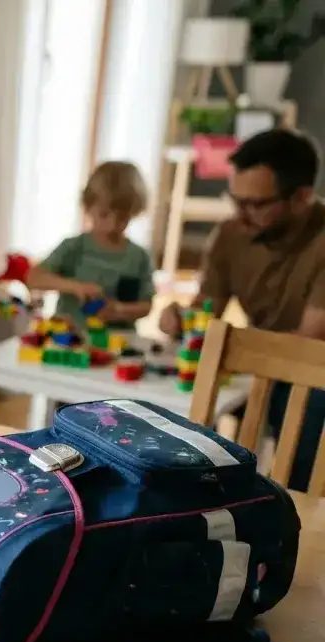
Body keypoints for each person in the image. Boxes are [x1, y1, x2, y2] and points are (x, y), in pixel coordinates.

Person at [159, 129, 325, 492]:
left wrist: (230, 346)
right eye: (235, 199)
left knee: (308, 403)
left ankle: (297, 506)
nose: (239, 214)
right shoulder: (232, 233)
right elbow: (207, 312)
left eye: (255, 204)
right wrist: (180, 319)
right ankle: (202, 498)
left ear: (301, 198)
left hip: (312, 366)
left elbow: (306, 343)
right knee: (188, 395)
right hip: (264, 358)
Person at [28, 160, 156, 328]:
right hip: (69, 338)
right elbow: (34, 278)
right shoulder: (74, 247)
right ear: (88, 207)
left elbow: (146, 306)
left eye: (122, 218)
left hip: (118, 342)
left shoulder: (139, 257)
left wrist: (119, 310)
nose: (112, 225)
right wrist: (75, 287)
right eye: (103, 215)